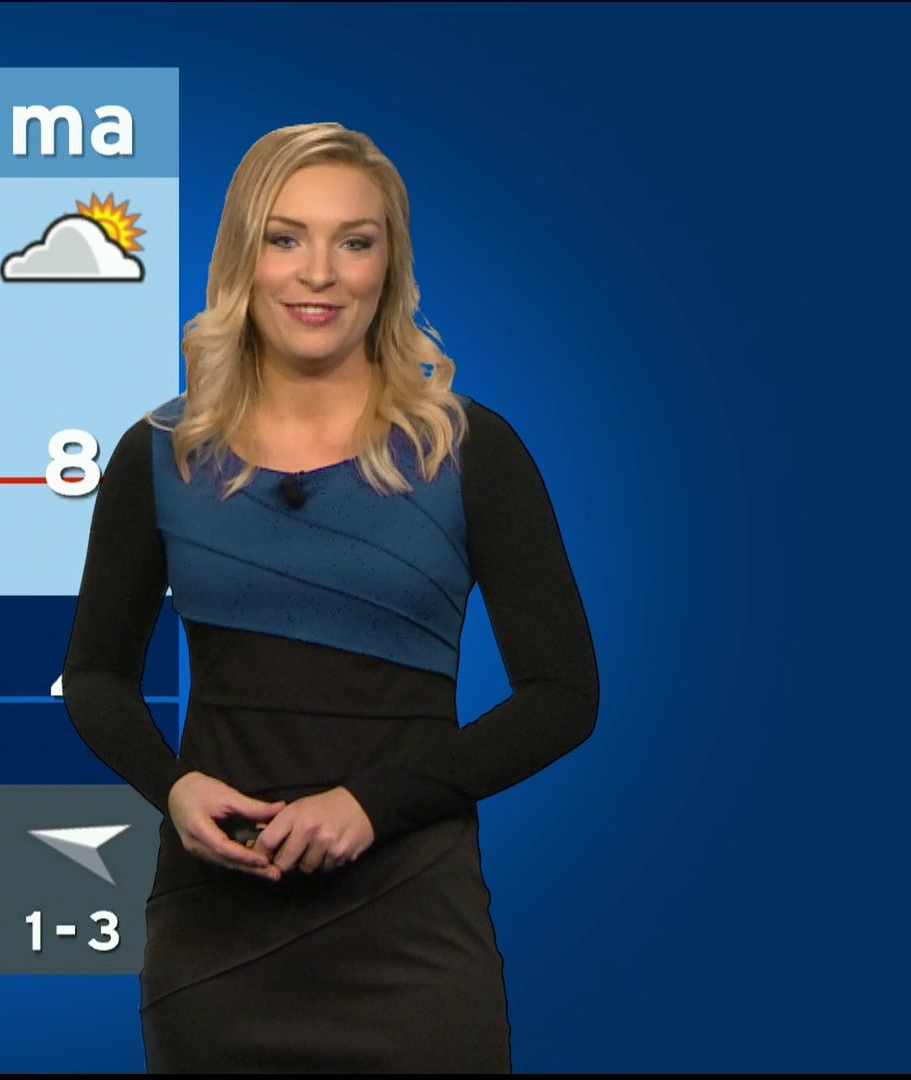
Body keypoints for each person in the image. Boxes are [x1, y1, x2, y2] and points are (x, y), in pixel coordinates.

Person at [61, 122, 600, 1073]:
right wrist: (172, 787)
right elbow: (97, 676)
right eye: (286, 238)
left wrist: (370, 805)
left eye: (354, 241)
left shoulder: (470, 451)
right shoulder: (159, 456)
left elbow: (562, 696)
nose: (320, 272)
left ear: (389, 266)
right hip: (215, 948)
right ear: (244, 257)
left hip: (413, 943)